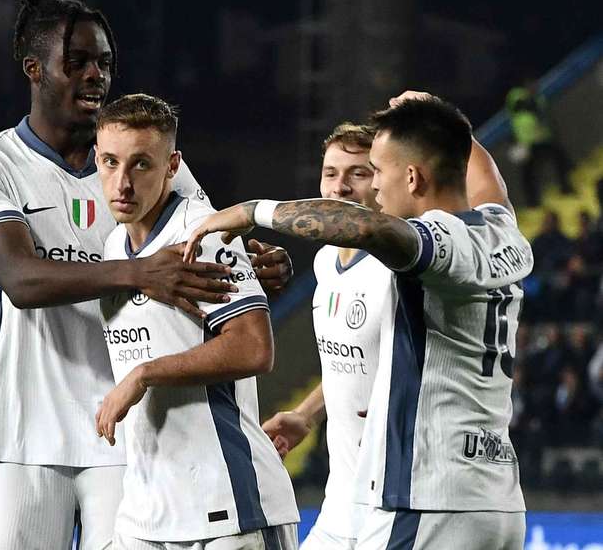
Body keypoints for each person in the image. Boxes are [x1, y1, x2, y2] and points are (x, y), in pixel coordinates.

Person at [0, 0, 292, 550]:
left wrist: (250, 265)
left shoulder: (153, 165)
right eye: (77, 61)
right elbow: (21, 279)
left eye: (104, 63)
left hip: (125, 430)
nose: (95, 75)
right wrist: (138, 273)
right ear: (34, 68)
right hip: (22, 428)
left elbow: (200, 248)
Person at [184, 94, 531, 550]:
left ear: (412, 177)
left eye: (378, 173)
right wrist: (438, 113)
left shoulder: (434, 245)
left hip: (428, 499)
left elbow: (366, 228)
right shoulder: (500, 228)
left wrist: (252, 211)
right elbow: (488, 184)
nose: (378, 191)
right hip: (497, 501)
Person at [93, 93, 299, 549]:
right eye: (110, 162)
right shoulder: (111, 247)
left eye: (141, 165)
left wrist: (144, 375)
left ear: (172, 166)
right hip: (145, 512)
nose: (121, 183)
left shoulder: (204, 233)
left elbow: (253, 347)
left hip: (226, 510)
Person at [261, 123, 387, 550]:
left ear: (383, 181)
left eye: (358, 173)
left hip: (392, 504)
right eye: (331, 173)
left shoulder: (400, 270)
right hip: (339, 501)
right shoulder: (325, 262)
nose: (340, 187)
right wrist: (308, 414)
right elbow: (346, 366)